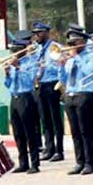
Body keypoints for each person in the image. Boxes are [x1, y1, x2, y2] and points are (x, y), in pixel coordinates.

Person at [58, 27, 93, 175]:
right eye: (70, 42)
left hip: (84, 94)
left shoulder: (92, 56)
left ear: (83, 41)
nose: (72, 45)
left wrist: (77, 58)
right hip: (70, 94)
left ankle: (89, 162)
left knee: (85, 130)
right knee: (75, 132)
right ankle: (79, 161)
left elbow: (89, 72)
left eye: (75, 42)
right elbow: (63, 79)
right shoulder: (70, 59)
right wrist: (61, 66)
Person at [4, 37, 42, 173]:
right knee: (18, 133)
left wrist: (18, 67)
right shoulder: (12, 64)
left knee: (29, 132)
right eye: (12, 50)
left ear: (22, 50)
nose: (13, 53)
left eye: (15, 50)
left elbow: (30, 80)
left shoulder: (30, 62)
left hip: (26, 97)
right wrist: (7, 73)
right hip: (14, 98)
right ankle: (23, 162)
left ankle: (35, 163)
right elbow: (7, 84)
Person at [31, 21, 64, 162]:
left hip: (52, 84)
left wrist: (44, 68)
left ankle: (59, 150)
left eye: (39, 33)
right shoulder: (38, 49)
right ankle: (49, 148)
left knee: (55, 118)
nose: (36, 36)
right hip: (41, 86)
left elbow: (59, 67)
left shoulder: (55, 48)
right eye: (35, 33)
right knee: (45, 119)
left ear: (46, 32)